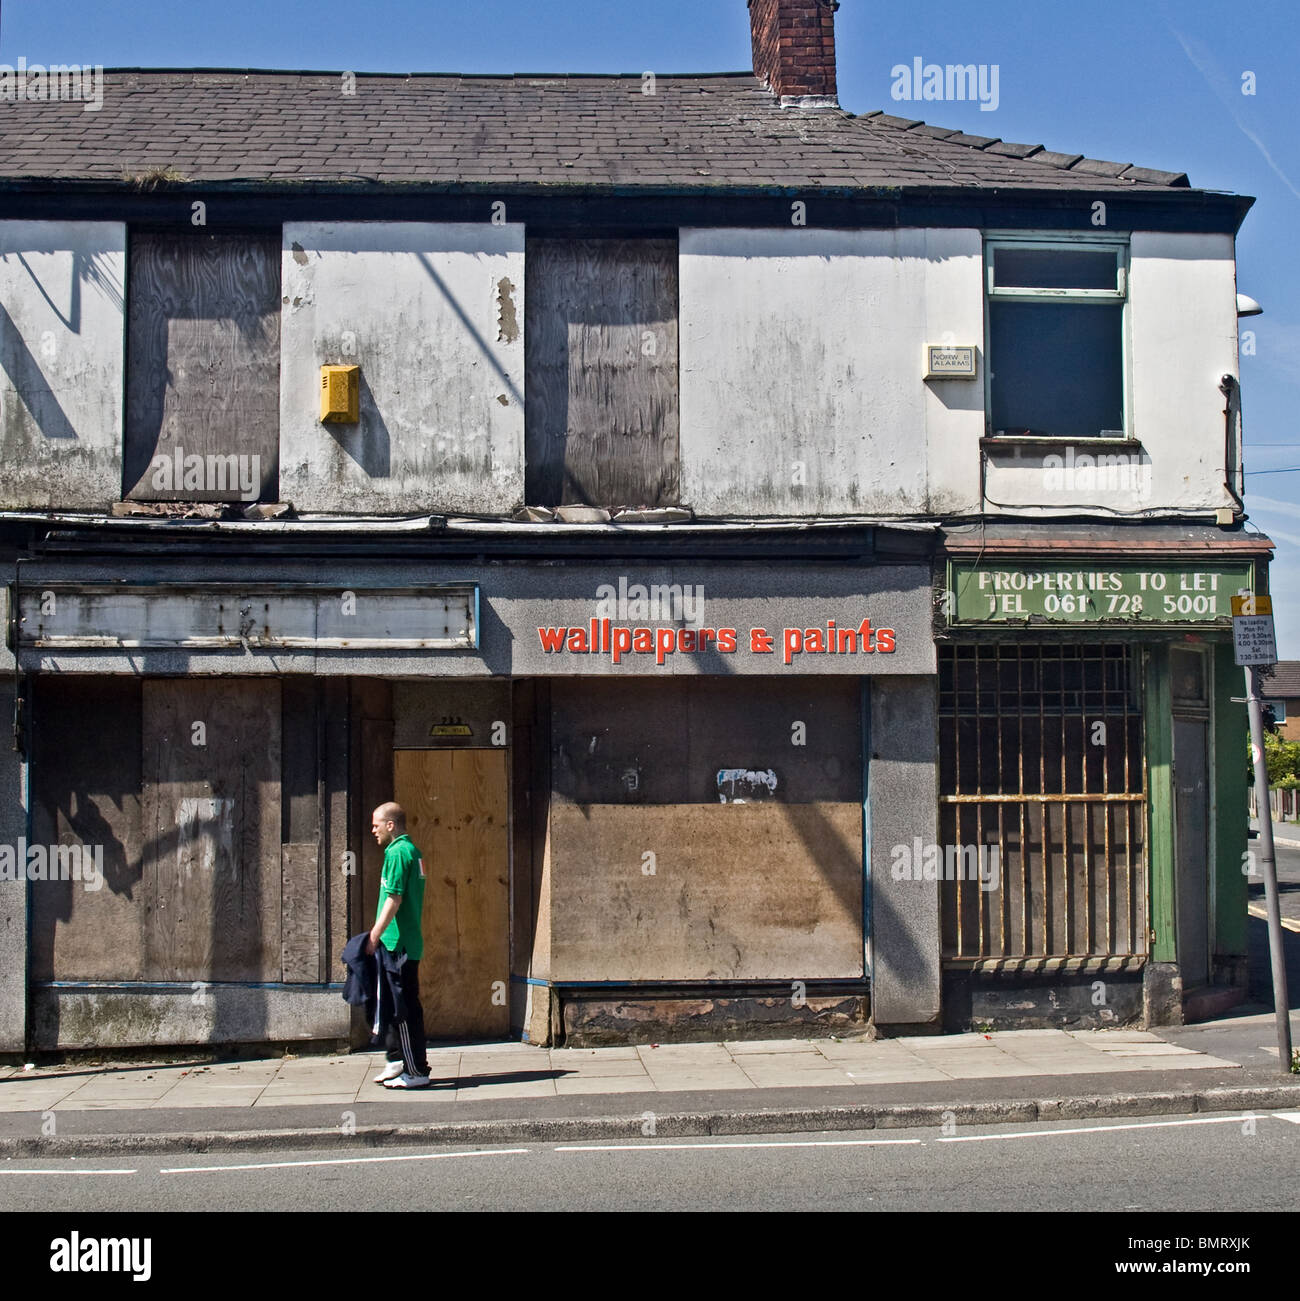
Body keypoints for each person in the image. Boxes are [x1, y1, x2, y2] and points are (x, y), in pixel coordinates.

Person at [367, 801, 431, 1088]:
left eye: (376, 825)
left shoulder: (397, 853)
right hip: (404, 941)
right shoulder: (413, 852)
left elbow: (394, 898)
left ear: (390, 825)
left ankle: (416, 1071)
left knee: (403, 1008)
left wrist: (374, 935)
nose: (373, 830)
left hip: (398, 943)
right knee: (393, 1005)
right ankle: (395, 1061)